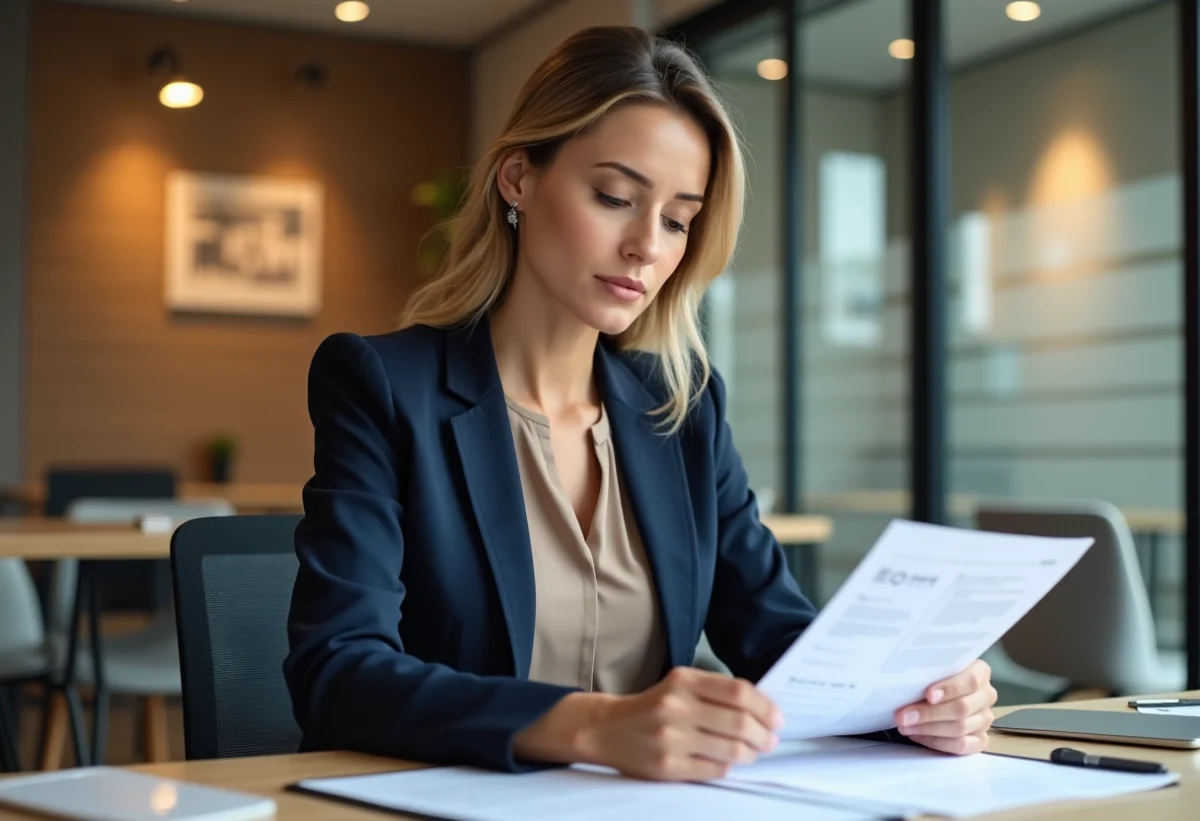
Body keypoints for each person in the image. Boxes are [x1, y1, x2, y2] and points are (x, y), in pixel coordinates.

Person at [283, 25, 997, 782]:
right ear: (518, 179)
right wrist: (593, 724)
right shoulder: (384, 385)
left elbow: (781, 639)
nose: (647, 246)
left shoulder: (684, 411)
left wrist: (913, 697)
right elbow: (337, 669)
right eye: (616, 197)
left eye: (678, 219)